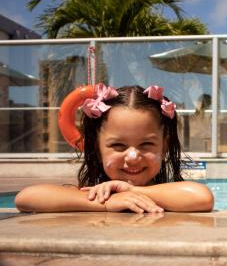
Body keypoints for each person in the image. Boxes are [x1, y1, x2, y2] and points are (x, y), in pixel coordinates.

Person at [15, 84, 214, 215]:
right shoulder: (90, 193)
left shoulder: (173, 195)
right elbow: (26, 198)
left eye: (146, 144)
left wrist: (130, 190)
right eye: (118, 146)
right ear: (97, 149)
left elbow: (202, 198)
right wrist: (105, 203)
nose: (134, 157)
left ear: (164, 147)